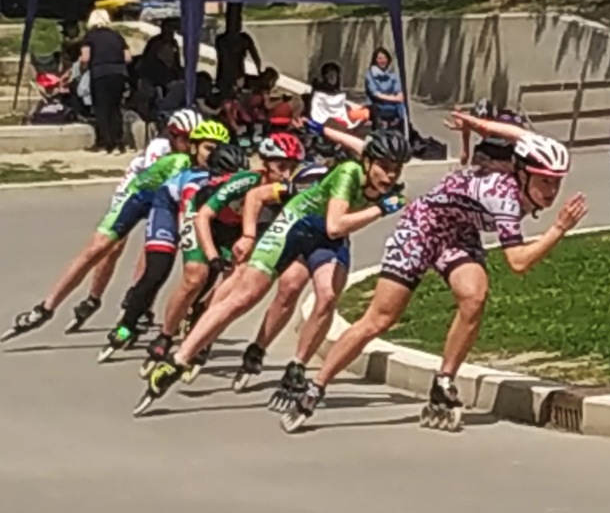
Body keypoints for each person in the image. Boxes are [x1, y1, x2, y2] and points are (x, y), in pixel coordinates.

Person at [280, 111, 589, 434]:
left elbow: (513, 133)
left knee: (474, 297)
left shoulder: (527, 157)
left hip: (457, 233)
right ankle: (316, 387)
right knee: (379, 319)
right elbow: (518, 262)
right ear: (522, 173)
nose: (552, 191)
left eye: (557, 182)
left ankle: (443, 381)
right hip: (421, 228)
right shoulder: (504, 200)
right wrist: (558, 228)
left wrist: (476, 124)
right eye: (545, 181)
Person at [133, 128, 413, 416]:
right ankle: (179, 359)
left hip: (326, 240)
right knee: (245, 296)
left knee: (328, 296)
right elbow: (334, 225)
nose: (390, 176)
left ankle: (297, 366)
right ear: (367, 162)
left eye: (397, 169)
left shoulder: (379, 177)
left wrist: (329, 130)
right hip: (296, 225)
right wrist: (380, 209)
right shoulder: (348, 172)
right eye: (384, 167)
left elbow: (360, 152)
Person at [1, 120, 230, 344]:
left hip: (166, 202)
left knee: (157, 253)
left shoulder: (207, 167)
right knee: (100, 248)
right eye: (183, 138)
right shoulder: (168, 154)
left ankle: (138, 304)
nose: (184, 143)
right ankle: (47, 307)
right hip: (139, 195)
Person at [137, 132, 305, 381]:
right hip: (202, 217)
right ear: (265, 163)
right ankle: (166, 335)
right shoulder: (247, 181)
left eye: (293, 167)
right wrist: (213, 256)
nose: (287, 174)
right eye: (281, 166)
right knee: (196, 276)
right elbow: (203, 216)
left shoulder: (283, 192)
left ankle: (203, 326)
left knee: (238, 278)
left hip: (231, 229)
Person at [98, 141, 249, 363]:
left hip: (212, 215)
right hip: (170, 208)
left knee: (210, 271)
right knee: (159, 270)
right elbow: (188, 223)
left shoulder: (245, 185)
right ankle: (127, 324)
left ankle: (193, 314)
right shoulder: (195, 187)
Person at [65, 108, 204, 334]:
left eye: (196, 140)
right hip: (137, 188)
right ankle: (93, 298)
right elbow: (150, 180)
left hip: (164, 195)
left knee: (155, 244)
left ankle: (138, 299)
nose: (192, 145)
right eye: (187, 139)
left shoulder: (193, 154)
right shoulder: (160, 147)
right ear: (173, 135)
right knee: (113, 247)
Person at [80, 9, 132, 154]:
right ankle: (119, 142)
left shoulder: (90, 36)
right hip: (118, 74)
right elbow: (128, 57)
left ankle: (106, 143)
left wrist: (83, 68)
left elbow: (85, 58)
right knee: (115, 108)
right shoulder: (117, 36)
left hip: (100, 74)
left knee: (102, 108)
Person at [215, 4, 261, 99]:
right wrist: (259, 72)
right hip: (230, 76)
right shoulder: (223, 40)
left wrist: (259, 72)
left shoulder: (222, 40)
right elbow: (256, 59)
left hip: (231, 76)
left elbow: (256, 59)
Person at [364, 47, 405, 129]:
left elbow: (398, 90)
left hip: (392, 103)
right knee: (375, 108)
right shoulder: (370, 74)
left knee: (402, 106)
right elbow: (375, 93)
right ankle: (380, 127)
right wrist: (394, 98)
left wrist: (399, 96)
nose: (382, 60)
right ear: (375, 60)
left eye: (384, 58)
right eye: (379, 58)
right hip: (377, 103)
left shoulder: (393, 74)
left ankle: (404, 126)